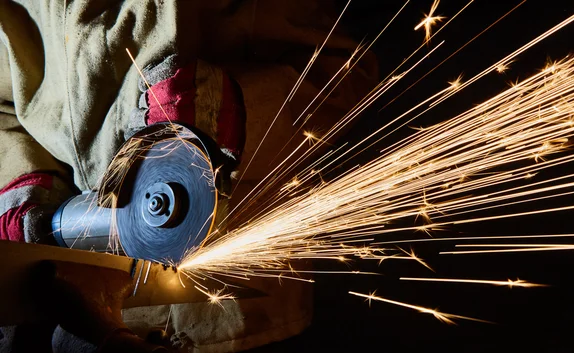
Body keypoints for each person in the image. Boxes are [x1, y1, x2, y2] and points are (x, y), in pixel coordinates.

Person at [0, 1, 377, 351]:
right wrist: (27, 197)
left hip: (234, 317)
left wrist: (227, 114)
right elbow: (4, 107)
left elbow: (344, 75)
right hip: (69, 308)